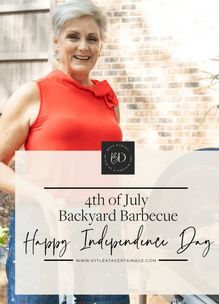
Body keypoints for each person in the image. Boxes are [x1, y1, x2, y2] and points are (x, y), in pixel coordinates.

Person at [0, 0, 130, 303]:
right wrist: (42, 195)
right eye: (73, 36)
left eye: (92, 38)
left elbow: (116, 171)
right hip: (44, 228)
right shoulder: (34, 93)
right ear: (56, 40)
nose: (83, 46)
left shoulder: (108, 98)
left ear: (100, 45)